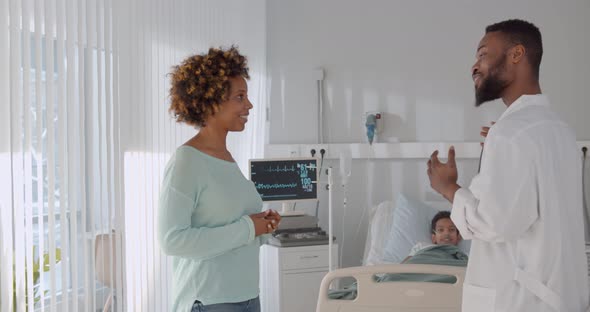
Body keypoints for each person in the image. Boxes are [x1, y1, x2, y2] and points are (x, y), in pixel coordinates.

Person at [426, 19, 589, 312]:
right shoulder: (560, 131)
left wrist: (449, 188)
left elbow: (493, 222)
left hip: (521, 301)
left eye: (483, 54)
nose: (474, 66)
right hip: (561, 297)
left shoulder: (512, 132)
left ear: (516, 54)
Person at [157, 46, 281, 312]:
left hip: (247, 296)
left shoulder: (226, 158)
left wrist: (261, 227)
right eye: (240, 96)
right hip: (210, 301)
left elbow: (231, 230)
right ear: (212, 101)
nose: (249, 105)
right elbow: (172, 240)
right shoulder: (186, 162)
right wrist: (249, 228)